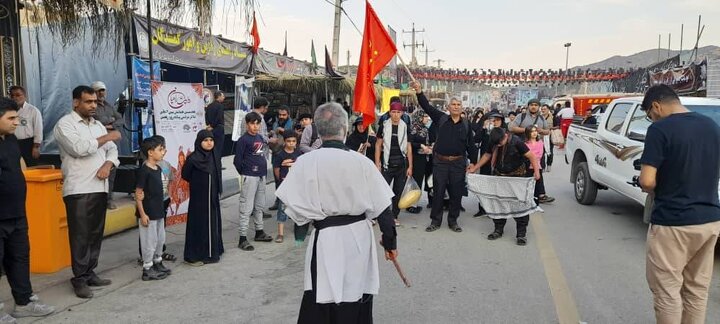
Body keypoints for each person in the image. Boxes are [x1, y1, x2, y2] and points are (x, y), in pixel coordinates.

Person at [274, 102, 397, 324]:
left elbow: (294, 209)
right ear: (345, 129)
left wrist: (301, 236)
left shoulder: (305, 163)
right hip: (358, 238)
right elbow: (384, 209)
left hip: (325, 239)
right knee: (355, 292)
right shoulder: (362, 163)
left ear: (319, 131)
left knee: (322, 295)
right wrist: (390, 244)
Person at [638, 84, 720, 324]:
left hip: (673, 222)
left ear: (656, 106)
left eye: (650, 114)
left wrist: (654, 186)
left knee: (667, 291)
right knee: (697, 289)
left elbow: (647, 180)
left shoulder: (659, 130)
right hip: (709, 220)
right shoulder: (712, 126)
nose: (651, 119)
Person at [54, 85, 120, 298]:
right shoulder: (65, 124)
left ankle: (90, 272)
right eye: (88, 102)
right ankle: (79, 279)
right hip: (79, 188)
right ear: (76, 102)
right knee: (80, 236)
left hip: (100, 187)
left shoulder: (98, 124)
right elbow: (79, 148)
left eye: (94, 101)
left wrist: (107, 165)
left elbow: (113, 151)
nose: (94, 105)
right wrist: (107, 138)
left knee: (95, 234)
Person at [0, 97, 55, 320]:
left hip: (16, 213)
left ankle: (23, 302)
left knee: (20, 257)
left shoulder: (11, 139)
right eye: (11, 118)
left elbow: (19, 165)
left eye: (17, 118)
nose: (16, 122)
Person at [411, 81, 478, 233]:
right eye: (453, 104)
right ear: (448, 107)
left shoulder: (466, 125)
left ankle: (453, 221)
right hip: (440, 163)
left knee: (456, 193)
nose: (455, 106)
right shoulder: (441, 118)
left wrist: (473, 163)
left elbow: (471, 146)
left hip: (458, 164)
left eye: (458, 104)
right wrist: (419, 92)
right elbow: (427, 106)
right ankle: (435, 221)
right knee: (438, 192)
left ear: (461, 107)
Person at [469, 127, 540, 246]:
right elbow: (487, 155)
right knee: (498, 203)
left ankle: (521, 234)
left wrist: (536, 172)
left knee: (520, 204)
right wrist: (475, 168)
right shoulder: (494, 141)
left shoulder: (517, 142)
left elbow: (532, 156)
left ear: (506, 136)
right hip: (499, 177)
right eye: (497, 143)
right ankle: (498, 230)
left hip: (516, 178)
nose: (499, 145)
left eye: (500, 142)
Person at [181, 130, 224, 266]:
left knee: (213, 222)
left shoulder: (214, 155)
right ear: (199, 142)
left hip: (212, 196)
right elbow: (185, 174)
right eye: (205, 140)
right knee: (199, 224)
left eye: (211, 140)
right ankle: (195, 255)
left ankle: (213, 251)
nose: (209, 143)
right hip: (199, 199)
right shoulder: (193, 158)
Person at [234, 112, 274, 251]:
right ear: (247, 124)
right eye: (252, 123)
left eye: (257, 123)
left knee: (259, 206)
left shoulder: (260, 137)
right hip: (249, 176)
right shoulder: (243, 140)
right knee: (246, 207)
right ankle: (242, 238)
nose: (255, 126)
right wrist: (246, 173)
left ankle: (259, 231)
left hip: (261, 176)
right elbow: (237, 161)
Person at [135, 136, 172, 280]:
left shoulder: (158, 168)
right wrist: (143, 214)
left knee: (159, 239)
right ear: (150, 152)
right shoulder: (144, 170)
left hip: (158, 211)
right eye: (160, 149)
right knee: (148, 241)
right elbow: (138, 194)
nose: (164, 152)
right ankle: (147, 267)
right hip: (148, 213)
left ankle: (157, 261)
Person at [375, 102, 413, 225]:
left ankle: (394, 216)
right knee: (382, 192)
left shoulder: (405, 126)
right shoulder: (384, 125)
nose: (396, 115)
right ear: (389, 113)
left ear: (402, 113)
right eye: (393, 112)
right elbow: (378, 145)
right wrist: (377, 163)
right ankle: (379, 215)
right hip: (387, 164)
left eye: (398, 112)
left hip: (401, 165)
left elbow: (409, 147)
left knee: (398, 193)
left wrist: (410, 166)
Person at [91, 81, 124, 210]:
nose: (101, 93)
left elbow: (120, 119)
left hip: (111, 146)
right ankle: (98, 201)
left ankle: (109, 200)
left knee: (111, 172)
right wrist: (107, 123)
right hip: (98, 144)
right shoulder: (92, 107)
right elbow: (95, 123)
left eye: (103, 90)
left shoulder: (109, 106)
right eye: (98, 90)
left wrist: (111, 125)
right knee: (97, 172)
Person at [472, 110, 506, 218]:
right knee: (484, 185)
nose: (494, 122)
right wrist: (483, 128)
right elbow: (476, 139)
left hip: (500, 162)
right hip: (485, 160)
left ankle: (496, 209)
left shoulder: (505, 132)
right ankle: (482, 208)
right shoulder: (486, 129)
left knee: (497, 186)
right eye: (492, 120)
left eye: (497, 120)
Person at [272, 133, 301, 243]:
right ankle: (280, 234)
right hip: (284, 186)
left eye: (293, 141)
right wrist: (280, 181)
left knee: (297, 208)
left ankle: (299, 229)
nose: (291, 143)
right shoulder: (280, 155)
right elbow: (276, 169)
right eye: (289, 141)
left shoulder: (298, 153)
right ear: (284, 142)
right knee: (282, 209)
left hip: (296, 186)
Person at [9, 86, 43, 167]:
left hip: (28, 144)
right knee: (15, 167)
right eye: (12, 96)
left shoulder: (33, 110)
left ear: (24, 95)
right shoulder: (8, 111)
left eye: (18, 95)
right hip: (12, 143)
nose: (15, 98)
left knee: (31, 167)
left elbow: (38, 129)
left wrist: (36, 147)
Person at [408, 109, 432, 214]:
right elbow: (410, 143)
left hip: (425, 157)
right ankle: (411, 205)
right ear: (420, 117)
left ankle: (415, 203)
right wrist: (421, 145)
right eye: (425, 116)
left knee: (422, 181)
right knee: (416, 181)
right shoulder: (414, 128)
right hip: (416, 158)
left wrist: (429, 148)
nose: (427, 118)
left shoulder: (425, 129)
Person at [524, 126, 554, 204]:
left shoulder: (540, 143)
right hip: (528, 167)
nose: (534, 133)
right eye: (532, 131)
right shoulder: (525, 144)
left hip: (537, 165)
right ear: (528, 133)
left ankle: (540, 196)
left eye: (535, 131)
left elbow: (539, 155)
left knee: (539, 181)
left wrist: (532, 157)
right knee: (529, 183)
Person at [205, 90, 226, 169]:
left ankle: (211, 164)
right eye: (223, 96)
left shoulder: (209, 106)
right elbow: (219, 117)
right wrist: (213, 126)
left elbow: (206, 117)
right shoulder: (220, 106)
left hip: (211, 129)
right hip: (218, 129)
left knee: (211, 147)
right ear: (219, 96)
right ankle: (217, 165)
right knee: (218, 148)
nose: (224, 97)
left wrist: (209, 125)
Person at [540, 104, 555, 172]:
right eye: (542, 109)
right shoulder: (539, 117)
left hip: (549, 136)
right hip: (540, 137)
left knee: (550, 151)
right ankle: (542, 166)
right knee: (541, 152)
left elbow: (557, 126)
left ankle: (549, 165)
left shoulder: (553, 117)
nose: (543, 110)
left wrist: (549, 128)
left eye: (544, 109)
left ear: (548, 110)